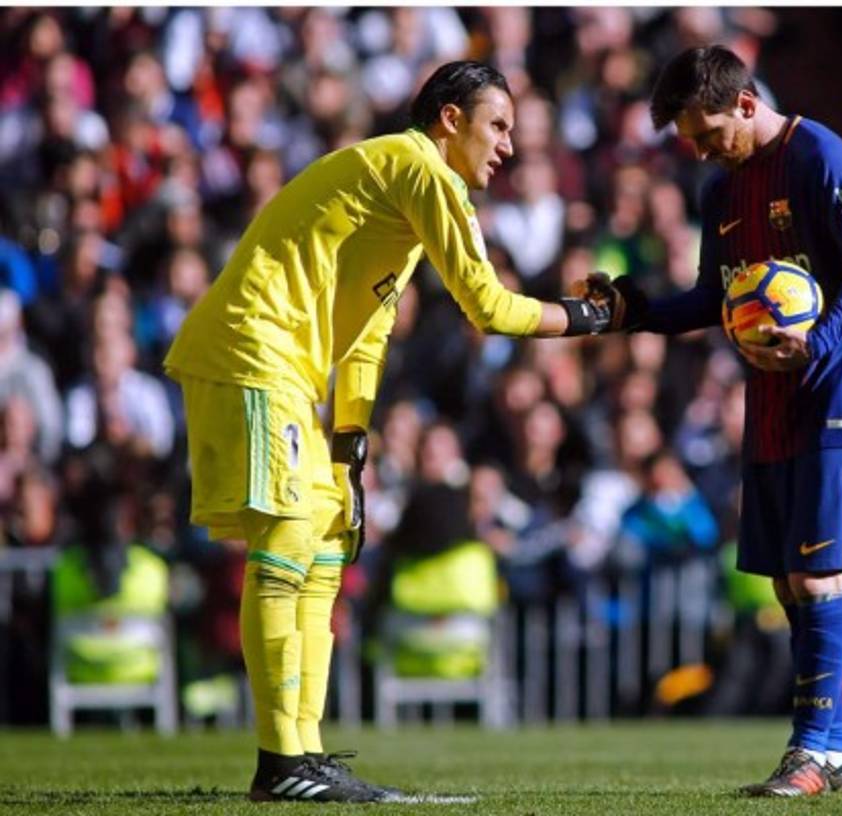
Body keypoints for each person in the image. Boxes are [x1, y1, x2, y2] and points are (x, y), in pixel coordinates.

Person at [163, 61, 613, 804]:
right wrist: (590, 317)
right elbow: (488, 307)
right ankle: (281, 760)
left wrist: (350, 449)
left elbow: (367, 335)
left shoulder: (395, 195)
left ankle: (302, 752)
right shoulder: (418, 168)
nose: (508, 145)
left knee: (328, 542)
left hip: (288, 373)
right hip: (252, 353)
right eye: (496, 126)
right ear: (449, 121)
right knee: (286, 546)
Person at [577, 45, 842, 796]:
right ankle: (836, 751)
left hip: (838, 396)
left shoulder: (823, 158)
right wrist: (634, 308)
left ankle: (813, 751)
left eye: (708, 132)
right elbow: (711, 299)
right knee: (789, 584)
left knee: (818, 578)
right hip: (771, 397)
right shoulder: (722, 193)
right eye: (690, 139)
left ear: (746, 104)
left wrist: (817, 340)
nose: (700, 149)